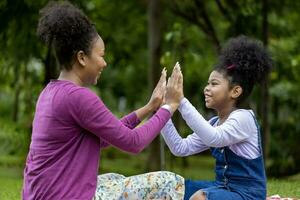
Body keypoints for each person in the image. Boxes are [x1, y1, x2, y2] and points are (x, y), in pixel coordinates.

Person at [22, 1, 183, 200]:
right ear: (82, 58)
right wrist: (170, 107)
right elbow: (134, 143)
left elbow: (107, 136)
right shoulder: (78, 97)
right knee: (169, 181)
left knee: (114, 178)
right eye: (101, 55)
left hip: (40, 195)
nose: (104, 63)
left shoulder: (50, 92)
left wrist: (149, 107)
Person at [161, 35, 272, 200]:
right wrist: (163, 110)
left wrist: (181, 101)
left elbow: (215, 138)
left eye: (214, 84)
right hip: (222, 188)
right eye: (207, 83)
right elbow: (180, 148)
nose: (206, 88)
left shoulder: (243, 118)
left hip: (247, 195)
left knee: (200, 197)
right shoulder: (214, 123)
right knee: (171, 186)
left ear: (235, 91)